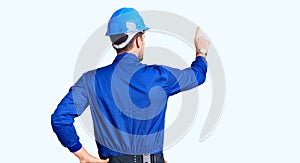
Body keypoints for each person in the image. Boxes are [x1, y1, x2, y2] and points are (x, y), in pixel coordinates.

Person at [51, 7, 210, 163]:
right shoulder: (159, 76)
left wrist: (84, 156)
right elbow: (197, 76)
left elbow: (60, 117)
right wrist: (201, 52)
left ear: (114, 43)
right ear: (139, 40)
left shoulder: (91, 80)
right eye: (143, 36)